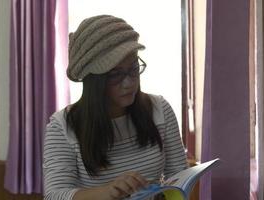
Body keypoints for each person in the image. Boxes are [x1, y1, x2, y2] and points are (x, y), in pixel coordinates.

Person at [43, 14, 188, 200]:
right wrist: (108, 191)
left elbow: (178, 174)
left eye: (134, 68)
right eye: (115, 74)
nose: (129, 83)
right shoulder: (63, 126)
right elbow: (55, 195)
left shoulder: (159, 110)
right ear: (93, 79)